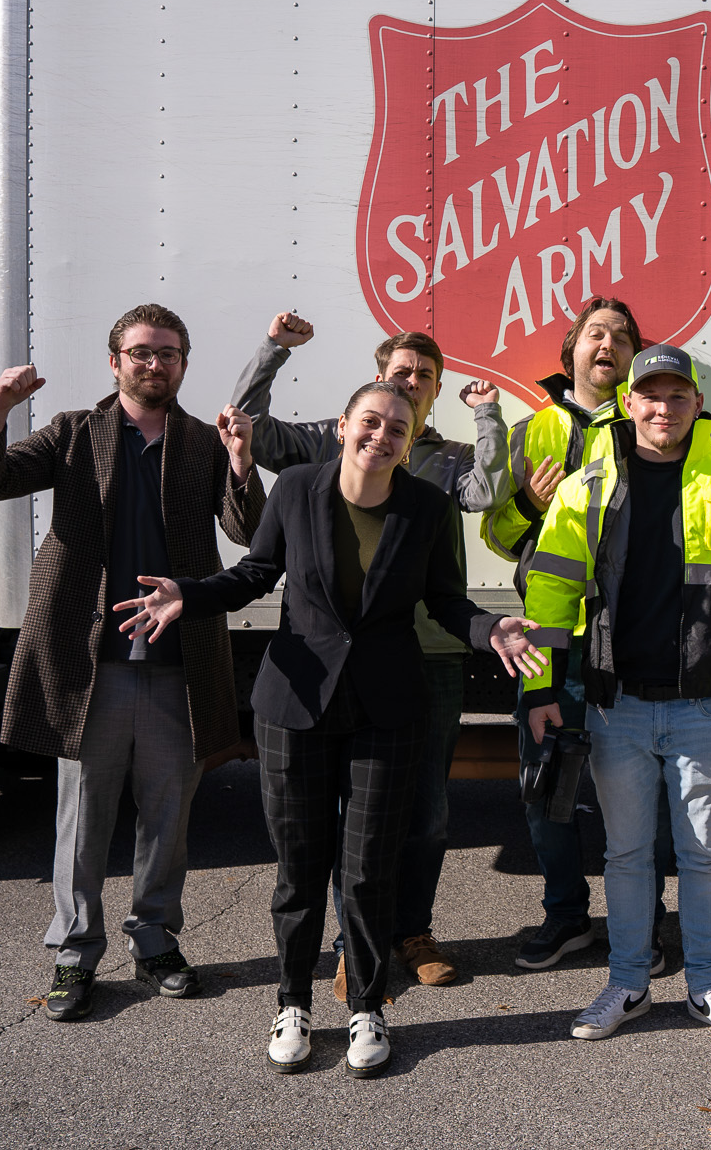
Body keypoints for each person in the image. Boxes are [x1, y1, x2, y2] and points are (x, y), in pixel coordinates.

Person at [117, 381, 545, 1077]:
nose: (382, 435)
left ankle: (367, 1005)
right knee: (299, 869)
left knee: (369, 868)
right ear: (343, 426)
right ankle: (292, 1003)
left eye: (397, 428)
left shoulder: (429, 506)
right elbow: (256, 573)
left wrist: (488, 627)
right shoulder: (296, 489)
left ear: (409, 442)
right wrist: (187, 594)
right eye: (370, 421)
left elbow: (445, 600)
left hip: (386, 710)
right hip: (295, 705)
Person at [0, 304, 263, 1022]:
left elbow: (246, 529)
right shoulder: (72, 433)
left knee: (168, 816)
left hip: (178, 661)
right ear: (115, 361)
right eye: (141, 352)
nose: (155, 363)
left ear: (183, 363)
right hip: (89, 662)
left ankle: (155, 938)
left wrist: (242, 461)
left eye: (168, 353)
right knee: (83, 817)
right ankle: (74, 951)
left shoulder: (203, 440)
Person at [520, 344, 711, 1043]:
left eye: (677, 395)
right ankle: (627, 984)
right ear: (628, 403)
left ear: (697, 404)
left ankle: (708, 986)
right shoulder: (588, 486)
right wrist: (540, 687)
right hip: (618, 702)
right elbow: (551, 591)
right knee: (626, 856)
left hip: (706, 702)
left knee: (705, 857)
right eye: (650, 395)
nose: (663, 407)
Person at [232, 316, 509, 996]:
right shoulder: (332, 438)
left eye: (424, 376)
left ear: (436, 389)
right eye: (400, 372)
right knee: (340, 819)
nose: (410, 382)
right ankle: (349, 947)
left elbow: (487, 493)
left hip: (430, 655)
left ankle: (412, 931)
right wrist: (272, 352)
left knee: (425, 812)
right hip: (338, 664)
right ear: (377, 378)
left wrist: (489, 418)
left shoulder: (446, 457)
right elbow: (250, 426)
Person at [478, 297, 670, 975]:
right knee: (546, 781)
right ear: (572, 351)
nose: (607, 344)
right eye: (595, 333)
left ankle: (643, 921)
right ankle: (566, 914)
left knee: (636, 791)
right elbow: (496, 535)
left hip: (627, 634)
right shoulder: (534, 429)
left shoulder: (649, 423)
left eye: (621, 336)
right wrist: (530, 504)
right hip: (548, 632)